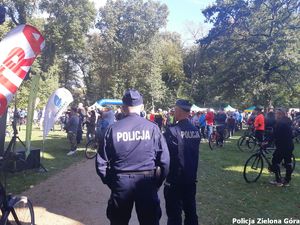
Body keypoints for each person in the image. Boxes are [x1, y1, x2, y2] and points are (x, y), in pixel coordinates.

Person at [96, 89, 170, 225]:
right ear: (141, 107)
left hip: (121, 182)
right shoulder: (152, 128)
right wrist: (156, 183)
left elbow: (101, 163)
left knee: (118, 221)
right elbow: (165, 161)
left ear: (123, 108)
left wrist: (113, 182)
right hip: (146, 182)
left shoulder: (113, 129)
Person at [163, 99, 201, 225]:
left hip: (175, 180)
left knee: (174, 215)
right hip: (190, 179)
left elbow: (164, 154)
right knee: (191, 212)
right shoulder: (196, 131)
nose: (173, 113)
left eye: (174, 110)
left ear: (178, 111)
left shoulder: (172, 131)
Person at [269, 109, 294, 187]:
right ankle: (287, 181)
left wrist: (267, 143)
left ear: (281, 115)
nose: (276, 115)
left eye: (277, 114)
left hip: (282, 146)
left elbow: (274, 135)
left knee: (275, 161)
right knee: (288, 163)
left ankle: (278, 181)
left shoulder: (280, 123)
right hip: (289, 145)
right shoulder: (288, 121)